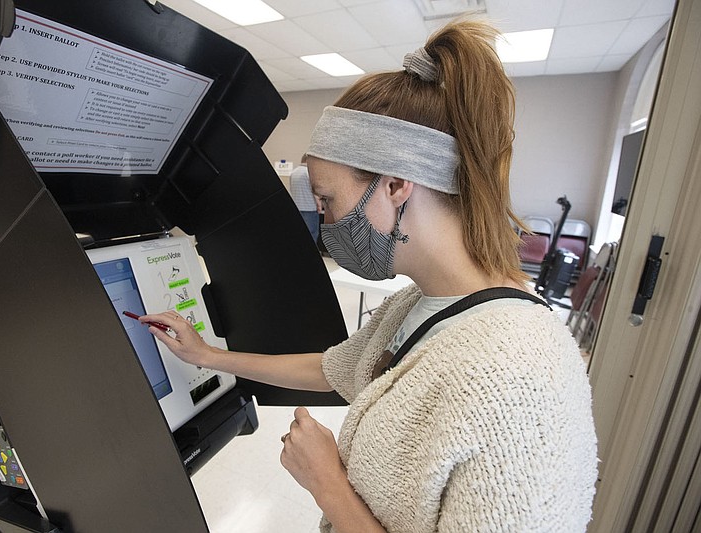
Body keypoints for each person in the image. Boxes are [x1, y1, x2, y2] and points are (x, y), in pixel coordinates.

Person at [141, 19, 597, 533]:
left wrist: (327, 483)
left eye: (328, 200)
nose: (326, 222)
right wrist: (207, 357)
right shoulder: (422, 305)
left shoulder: (518, 373)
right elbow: (333, 369)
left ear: (397, 184)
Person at [289, 154, 323, 243]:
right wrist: (319, 205)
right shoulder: (309, 173)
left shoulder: (293, 172)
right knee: (312, 234)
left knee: (300, 234)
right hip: (310, 209)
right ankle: (311, 256)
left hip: (297, 207)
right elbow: (315, 191)